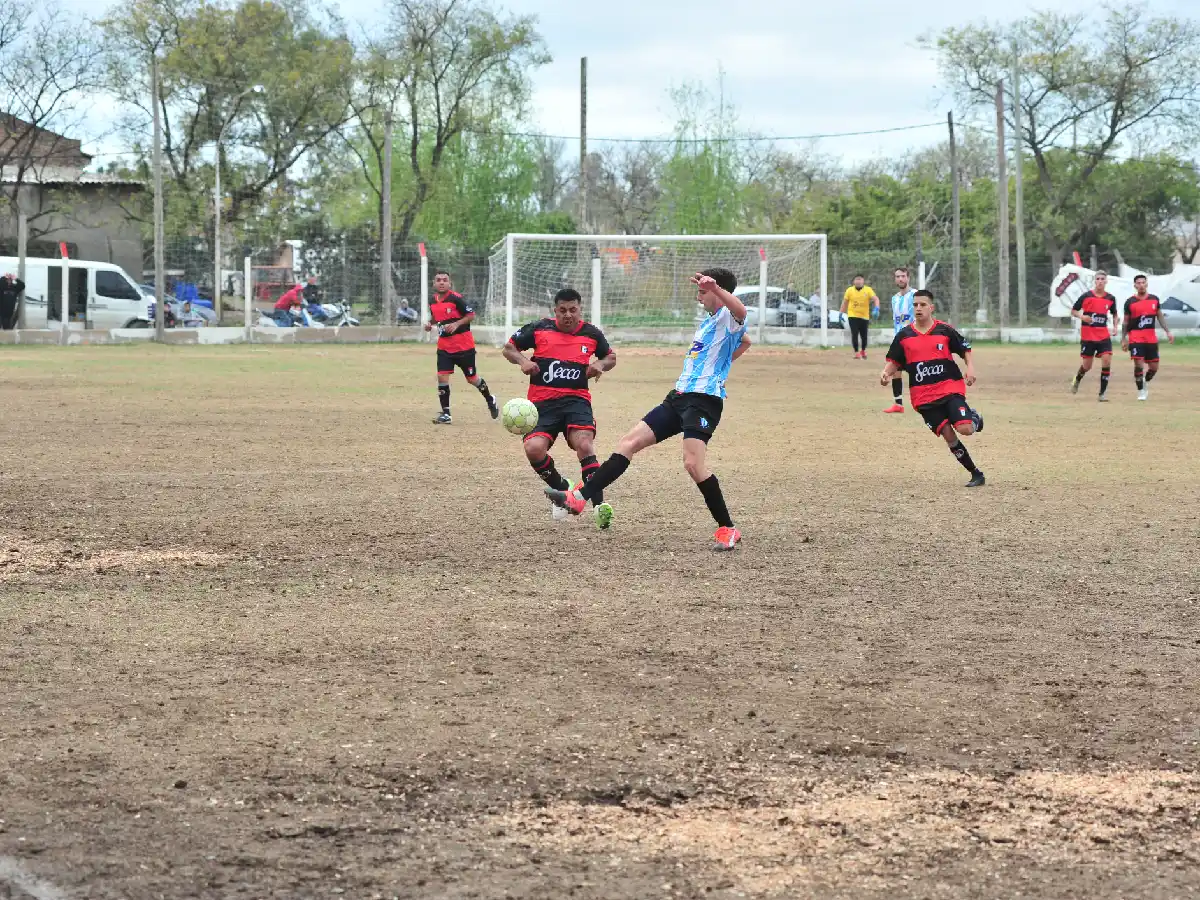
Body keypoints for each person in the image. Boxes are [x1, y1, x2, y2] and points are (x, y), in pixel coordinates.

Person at [545, 268, 752, 551]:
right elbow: (745, 343)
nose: (699, 295)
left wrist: (715, 288)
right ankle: (579, 499)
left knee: (693, 465)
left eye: (703, 292)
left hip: (704, 401)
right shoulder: (709, 322)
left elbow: (741, 312)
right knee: (628, 443)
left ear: (717, 292)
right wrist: (723, 361)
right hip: (678, 397)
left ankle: (727, 528)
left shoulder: (730, 317)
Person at [503, 288, 617, 523]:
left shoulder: (591, 333)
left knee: (585, 445)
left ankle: (599, 507)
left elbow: (611, 357)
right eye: (562, 310)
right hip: (541, 404)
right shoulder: (538, 328)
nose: (568, 315)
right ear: (555, 310)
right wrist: (523, 361)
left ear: (579, 309)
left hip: (576, 401)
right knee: (534, 449)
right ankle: (562, 489)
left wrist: (601, 365)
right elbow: (509, 348)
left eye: (573, 310)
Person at [879, 289, 986, 488]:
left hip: (949, 389)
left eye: (922, 305)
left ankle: (974, 417)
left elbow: (964, 348)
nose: (918, 308)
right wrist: (886, 373)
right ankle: (975, 473)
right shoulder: (904, 336)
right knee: (948, 434)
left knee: (966, 429)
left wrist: (970, 367)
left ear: (931, 307)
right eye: (915, 305)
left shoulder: (944, 330)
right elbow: (894, 361)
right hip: (923, 398)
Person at [424, 269, 499, 424]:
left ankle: (490, 399)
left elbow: (471, 315)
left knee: (472, 379)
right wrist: (429, 324)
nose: (442, 282)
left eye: (445, 279)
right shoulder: (432, 300)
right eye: (438, 280)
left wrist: (457, 323)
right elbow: (436, 317)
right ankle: (446, 414)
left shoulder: (456, 298)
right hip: (444, 347)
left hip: (464, 347)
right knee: (442, 376)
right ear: (434, 283)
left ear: (449, 283)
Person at [1120, 274, 1174, 401]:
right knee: (1138, 364)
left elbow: (1159, 316)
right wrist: (1123, 338)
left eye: (1143, 282)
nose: (1141, 285)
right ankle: (1141, 391)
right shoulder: (1130, 302)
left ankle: (1144, 381)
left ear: (1147, 284)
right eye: (1138, 283)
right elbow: (1126, 321)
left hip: (1151, 338)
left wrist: (1168, 332)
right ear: (1135, 285)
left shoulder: (1154, 299)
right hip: (1135, 337)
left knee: (1154, 367)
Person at [1069, 270, 1118, 401]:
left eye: (1103, 279)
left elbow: (1114, 314)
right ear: (1094, 281)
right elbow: (1073, 310)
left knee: (1107, 360)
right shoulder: (1086, 296)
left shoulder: (1110, 298)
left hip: (1103, 335)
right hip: (1088, 336)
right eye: (1098, 279)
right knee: (1087, 366)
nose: (1100, 281)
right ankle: (1078, 378)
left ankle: (1102, 394)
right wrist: (1082, 316)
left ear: (1106, 281)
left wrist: (1114, 327)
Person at [884, 267, 916, 413]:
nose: (900, 279)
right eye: (897, 277)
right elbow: (897, 321)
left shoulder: (916, 295)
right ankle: (898, 404)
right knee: (896, 369)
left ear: (908, 278)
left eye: (903, 276)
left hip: (914, 339)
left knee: (917, 371)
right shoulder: (894, 298)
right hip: (899, 340)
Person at [841, 274, 878, 359]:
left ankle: (863, 351)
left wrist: (876, 308)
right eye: (856, 279)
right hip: (852, 316)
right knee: (854, 333)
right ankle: (856, 352)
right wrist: (841, 313)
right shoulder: (849, 290)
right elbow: (845, 302)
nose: (858, 281)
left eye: (860, 279)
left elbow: (876, 299)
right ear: (853, 281)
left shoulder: (868, 290)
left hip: (864, 316)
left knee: (864, 335)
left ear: (863, 281)